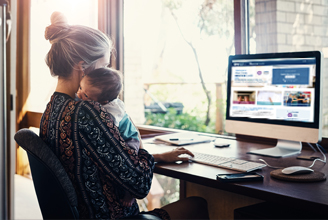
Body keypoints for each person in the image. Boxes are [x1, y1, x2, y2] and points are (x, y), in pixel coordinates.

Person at [40, 11, 209, 220]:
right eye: (103, 67)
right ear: (82, 67)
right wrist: (143, 151)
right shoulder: (87, 112)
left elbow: (98, 160)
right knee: (197, 205)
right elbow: (139, 185)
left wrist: (158, 157)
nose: (105, 74)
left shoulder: (52, 109)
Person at [76, 67, 141, 207]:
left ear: (104, 101)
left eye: (85, 95)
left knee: (130, 162)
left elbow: (109, 129)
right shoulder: (96, 101)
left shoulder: (112, 111)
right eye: (80, 87)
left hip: (130, 138)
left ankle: (130, 193)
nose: (79, 93)